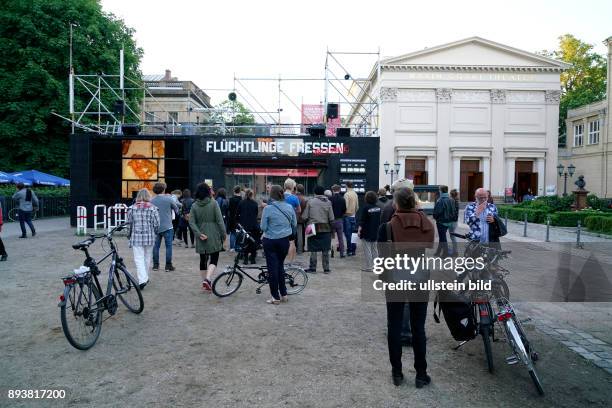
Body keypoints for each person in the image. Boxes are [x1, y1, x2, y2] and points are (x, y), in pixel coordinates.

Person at [377, 188, 434, 388]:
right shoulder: (425, 222)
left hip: (395, 278)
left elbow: (382, 258)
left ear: (396, 204)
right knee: (418, 327)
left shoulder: (387, 227)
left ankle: (397, 373)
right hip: (420, 277)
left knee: (393, 326)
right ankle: (421, 374)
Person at [260, 184, 297, 304]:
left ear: (271, 195)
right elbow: (294, 224)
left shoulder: (267, 208)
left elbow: (263, 227)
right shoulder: (289, 207)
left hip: (270, 241)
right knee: (280, 266)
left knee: (272, 269)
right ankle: (284, 294)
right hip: (284, 241)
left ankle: (275, 297)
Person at [189, 182, 227, 291]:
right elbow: (220, 221)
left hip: (201, 235)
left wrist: (198, 234)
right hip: (214, 234)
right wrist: (224, 235)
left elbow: (191, 222)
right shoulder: (214, 203)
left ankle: (204, 283)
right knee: (214, 259)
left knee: (203, 259)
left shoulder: (194, 205)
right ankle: (208, 279)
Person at [126, 189, 160, 290]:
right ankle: (144, 278)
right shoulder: (153, 209)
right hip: (149, 236)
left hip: (136, 237)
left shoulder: (131, 208)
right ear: (148, 196)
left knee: (139, 258)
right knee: (147, 257)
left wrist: (129, 235)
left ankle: (142, 279)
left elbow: (129, 224)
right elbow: (157, 224)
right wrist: (155, 233)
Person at [302, 185, 335, 274]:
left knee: (313, 249)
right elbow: (331, 218)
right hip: (325, 227)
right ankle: (326, 269)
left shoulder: (310, 202)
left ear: (315, 193)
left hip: (312, 227)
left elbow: (305, 216)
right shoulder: (328, 202)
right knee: (325, 249)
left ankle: (312, 268)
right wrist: (333, 231)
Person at [151, 182, 178, 271]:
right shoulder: (168, 199)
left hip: (155, 227)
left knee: (156, 247)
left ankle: (155, 265)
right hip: (167, 226)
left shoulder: (151, 200)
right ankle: (168, 266)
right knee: (168, 247)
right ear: (163, 189)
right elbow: (176, 209)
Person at [359, 191, 382, 272]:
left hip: (367, 231)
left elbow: (362, 221)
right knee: (375, 249)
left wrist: (359, 230)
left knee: (367, 250)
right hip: (376, 231)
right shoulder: (378, 208)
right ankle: (376, 266)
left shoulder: (366, 208)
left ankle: (369, 266)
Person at [236, 189, 260, 264]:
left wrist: (239, 221)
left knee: (245, 242)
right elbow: (256, 214)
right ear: (252, 195)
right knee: (252, 242)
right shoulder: (255, 203)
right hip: (253, 225)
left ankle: (245, 259)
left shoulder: (241, 202)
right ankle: (253, 259)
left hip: (244, 225)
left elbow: (237, 213)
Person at [432, 185, 456, 257]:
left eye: (439, 190)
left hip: (441, 222)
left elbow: (437, 212)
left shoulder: (440, 200)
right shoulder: (451, 199)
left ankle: (445, 253)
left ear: (441, 191)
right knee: (442, 237)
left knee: (443, 238)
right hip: (450, 221)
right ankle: (438, 251)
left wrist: (435, 217)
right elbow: (454, 210)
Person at [283, 178, 301, 263]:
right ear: (293, 187)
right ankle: (290, 261)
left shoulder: (281, 196)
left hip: (281, 222)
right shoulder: (294, 198)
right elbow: (299, 210)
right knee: (292, 242)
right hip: (291, 222)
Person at [329, 184, 346, 258]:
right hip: (339, 220)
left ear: (332, 190)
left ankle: (331, 252)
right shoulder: (342, 199)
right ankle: (342, 253)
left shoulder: (330, 199)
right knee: (340, 237)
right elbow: (344, 210)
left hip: (331, 220)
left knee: (331, 237)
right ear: (339, 190)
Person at [343, 181, 359, 256]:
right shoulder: (355, 194)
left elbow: (345, 207)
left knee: (348, 234)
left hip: (347, 217)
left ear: (346, 186)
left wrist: (344, 213)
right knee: (354, 234)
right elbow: (357, 206)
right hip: (353, 216)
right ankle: (353, 250)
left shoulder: (346, 194)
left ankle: (349, 250)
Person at [227, 185, 242, 251]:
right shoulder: (241, 200)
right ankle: (237, 246)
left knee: (232, 233)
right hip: (239, 218)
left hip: (232, 218)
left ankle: (232, 247)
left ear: (234, 191)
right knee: (238, 232)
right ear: (240, 191)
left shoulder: (231, 199)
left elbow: (229, 209)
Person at [295, 184, 308, 254]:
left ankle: (297, 248)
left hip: (295, 218)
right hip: (302, 219)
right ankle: (301, 248)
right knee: (302, 234)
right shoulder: (304, 199)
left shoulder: (294, 197)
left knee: (296, 235)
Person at [448, 189, 460, 256]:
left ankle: (455, 252)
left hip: (452, 221)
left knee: (452, 236)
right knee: (452, 236)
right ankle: (455, 250)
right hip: (455, 221)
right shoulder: (456, 200)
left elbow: (452, 212)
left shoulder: (452, 201)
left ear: (451, 194)